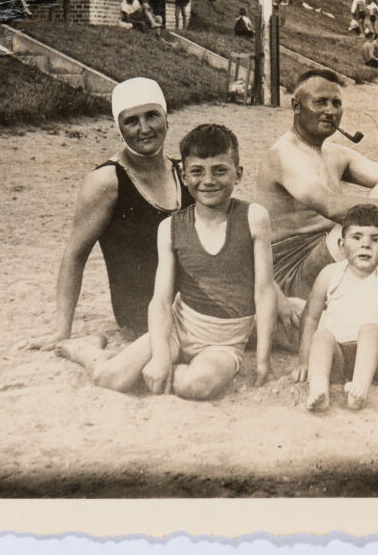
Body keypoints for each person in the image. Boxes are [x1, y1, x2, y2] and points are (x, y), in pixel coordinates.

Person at [55, 124, 277, 399]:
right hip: (177, 329)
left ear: (238, 173)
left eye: (220, 170)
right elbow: (161, 300)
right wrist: (160, 356)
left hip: (223, 344)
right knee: (109, 377)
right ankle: (87, 350)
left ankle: (166, 367)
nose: (208, 180)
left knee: (196, 386)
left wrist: (263, 361)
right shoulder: (171, 227)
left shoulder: (253, 218)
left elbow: (265, 291)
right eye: (197, 171)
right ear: (184, 176)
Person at [256, 69, 378, 334]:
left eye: (336, 103)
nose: (330, 111)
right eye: (320, 102)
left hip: (329, 249)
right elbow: (330, 205)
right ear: (296, 105)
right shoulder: (285, 153)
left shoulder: (333, 153)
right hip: (294, 271)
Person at [22, 79, 192, 350]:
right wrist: (61, 330)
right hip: (142, 313)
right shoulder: (107, 181)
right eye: (132, 121)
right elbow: (74, 255)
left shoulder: (186, 172)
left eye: (152, 116)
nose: (145, 129)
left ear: (166, 118)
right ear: (119, 128)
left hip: (193, 301)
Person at [292, 205, 378, 411]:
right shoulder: (329, 274)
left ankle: (360, 389)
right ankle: (319, 388)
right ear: (342, 246)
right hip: (339, 356)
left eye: (375, 239)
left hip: (376, 360)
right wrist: (303, 360)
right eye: (357, 237)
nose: (366, 245)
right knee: (323, 335)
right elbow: (310, 318)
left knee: (369, 330)